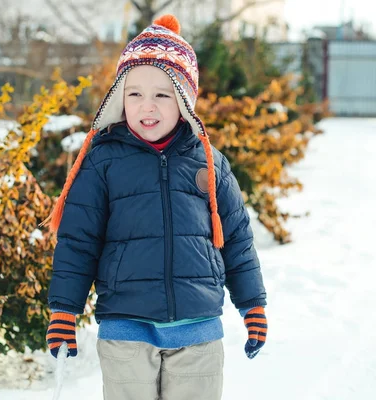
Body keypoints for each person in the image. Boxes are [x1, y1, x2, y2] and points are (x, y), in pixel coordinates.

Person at [44, 14, 267, 400]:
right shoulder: (103, 162)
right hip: (125, 330)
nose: (147, 106)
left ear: (184, 100)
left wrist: (252, 305)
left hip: (198, 332)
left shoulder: (210, 163)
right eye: (134, 94)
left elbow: (237, 240)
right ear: (118, 98)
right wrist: (65, 310)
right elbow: (78, 242)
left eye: (162, 94)